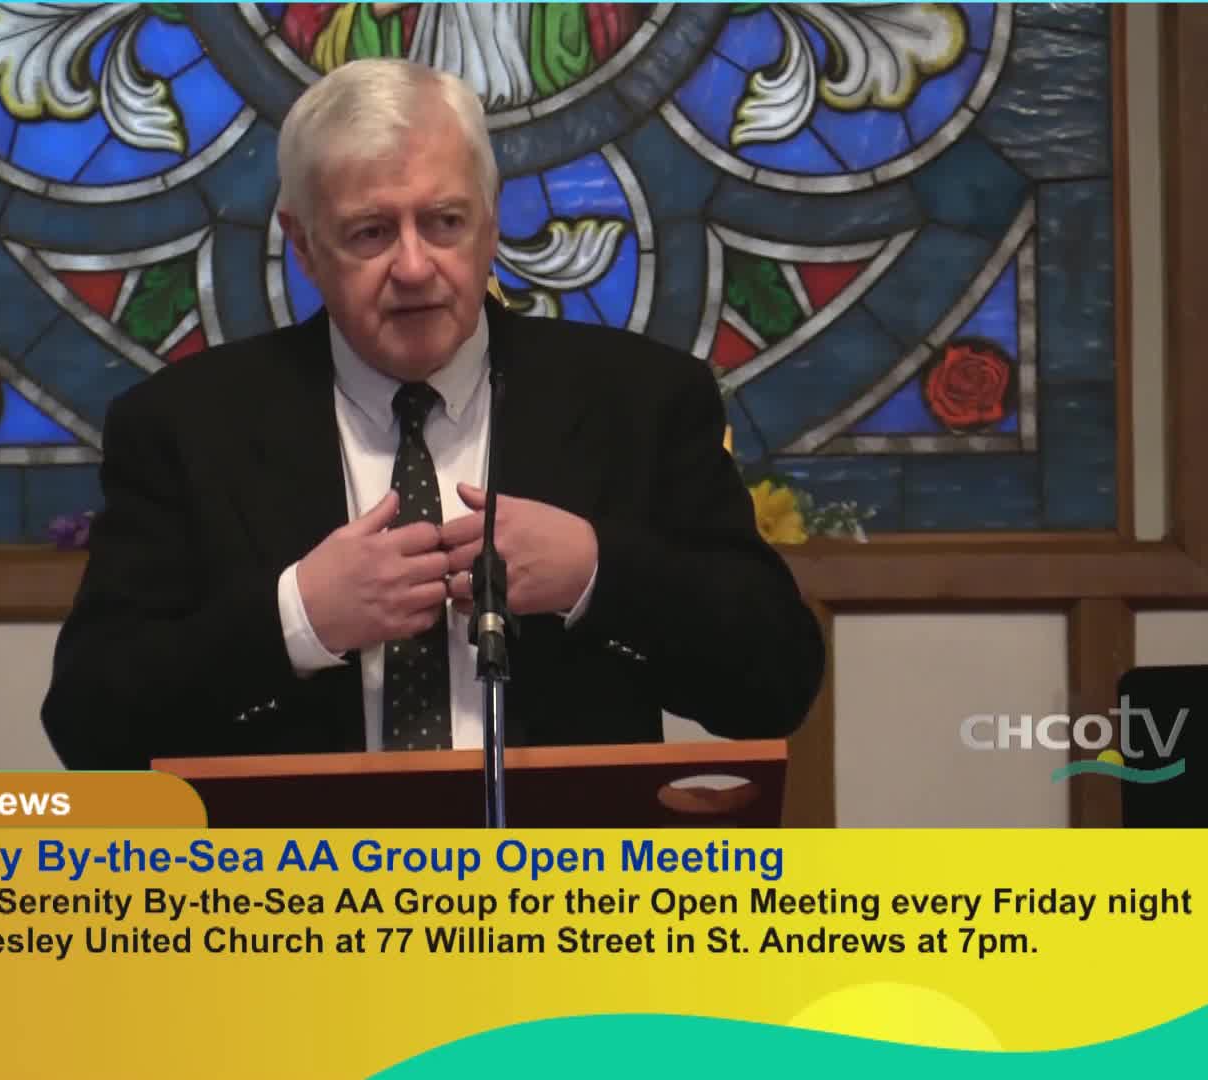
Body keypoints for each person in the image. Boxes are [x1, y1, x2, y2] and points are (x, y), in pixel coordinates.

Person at [41, 59, 825, 770]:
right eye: (371, 232)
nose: (414, 267)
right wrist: (298, 619)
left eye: (444, 222)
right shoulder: (184, 426)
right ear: (304, 246)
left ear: (489, 223)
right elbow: (89, 724)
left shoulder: (640, 401)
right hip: (294, 905)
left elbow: (777, 683)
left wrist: (596, 573)